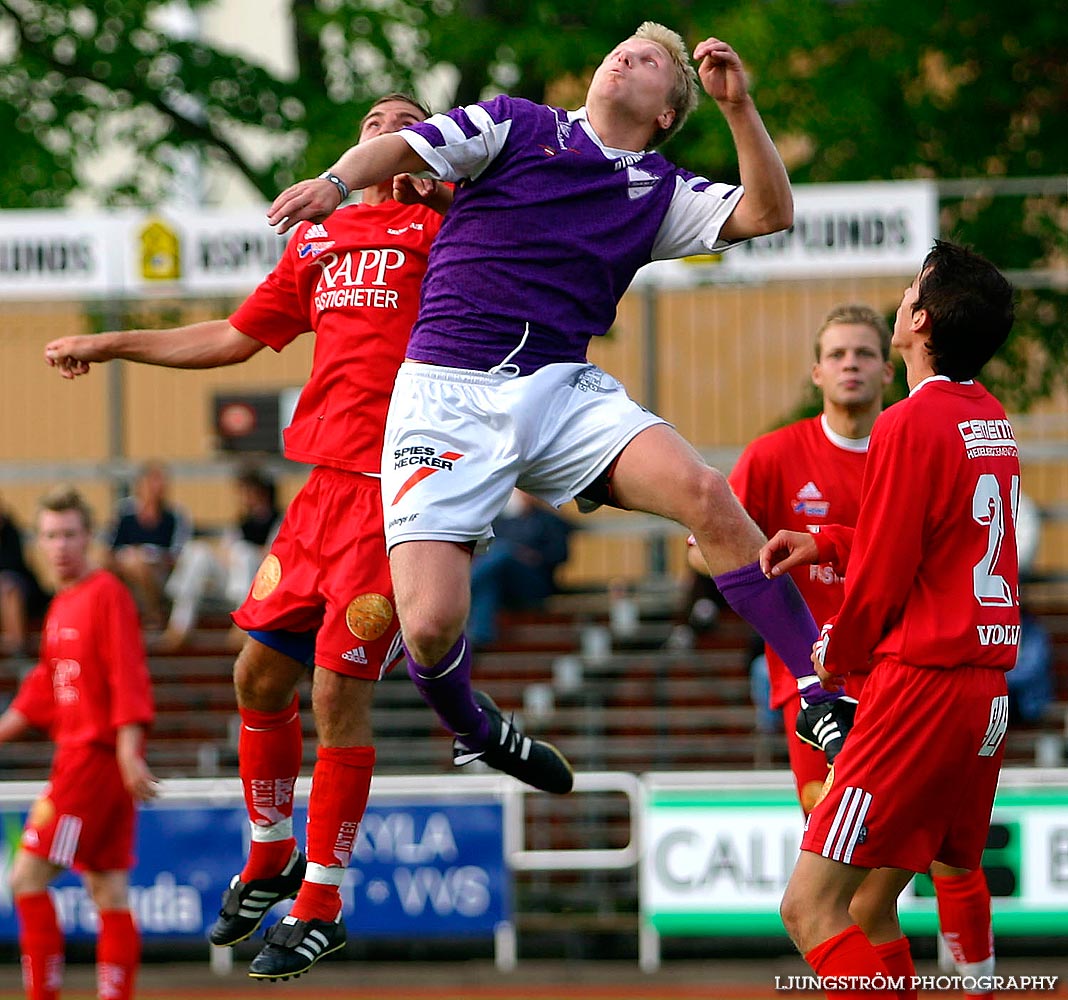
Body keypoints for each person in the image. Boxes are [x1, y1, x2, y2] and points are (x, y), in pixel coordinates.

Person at [268, 24, 854, 791]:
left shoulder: (660, 189)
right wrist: (336, 183)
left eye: (647, 62)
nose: (623, 57)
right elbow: (404, 149)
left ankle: (820, 689)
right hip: (444, 394)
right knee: (431, 626)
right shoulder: (519, 123)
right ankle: (475, 728)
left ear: (666, 113)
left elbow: (769, 213)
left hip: (557, 387)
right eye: (622, 49)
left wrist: (740, 109)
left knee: (709, 493)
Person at [43, 94, 471, 983]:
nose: (381, 124)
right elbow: (232, 338)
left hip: (399, 494)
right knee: (255, 674)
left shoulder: (455, 232)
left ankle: (321, 900)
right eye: (369, 118)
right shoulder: (319, 240)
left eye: (405, 116)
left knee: (333, 693)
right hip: (318, 495)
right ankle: (270, 852)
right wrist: (114, 340)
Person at [718, 303, 999, 997]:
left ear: (889, 361)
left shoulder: (912, 430)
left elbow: (885, 560)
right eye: (837, 353)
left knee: (824, 901)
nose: (850, 363)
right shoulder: (777, 455)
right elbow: (715, 554)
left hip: (897, 679)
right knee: (870, 895)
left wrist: (839, 637)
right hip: (833, 692)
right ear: (817, 371)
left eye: (864, 352)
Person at [0, 487, 157, 1000]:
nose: (60, 545)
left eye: (69, 534)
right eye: (50, 535)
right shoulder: (62, 604)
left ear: (87, 537)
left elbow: (128, 672)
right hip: (95, 763)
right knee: (107, 889)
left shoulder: (105, 592)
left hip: (91, 760)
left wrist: (129, 748)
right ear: (38, 543)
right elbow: (43, 688)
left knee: (25, 879)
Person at [156, 464, 282, 652]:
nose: (243, 497)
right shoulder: (241, 523)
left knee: (244, 552)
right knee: (197, 551)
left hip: (262, 584)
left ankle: (242, 622)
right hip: (234, 581)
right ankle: (180, 624)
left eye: (247, 491)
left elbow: (277, 555)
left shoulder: (279, 520)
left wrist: (247, 552)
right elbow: (225, 549)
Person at [467, 489, 572, 649]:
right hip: (506, 584)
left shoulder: (550, 522)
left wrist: (532, 556)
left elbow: (560, 555)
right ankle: (481, 637)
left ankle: (464, 586)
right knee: (490, 578)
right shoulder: (504, 522)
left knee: (502, 551)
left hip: (536, 583)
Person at [103, 461, 191, 629]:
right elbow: (108, 547)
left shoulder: (174, 516)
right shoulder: (125, 512)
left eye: (160, 482)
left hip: (160, 573)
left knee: (138, 562)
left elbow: (178, 556)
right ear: (140, 485)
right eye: (152, 482)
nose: (156, 488)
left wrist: (150, 558)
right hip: (124, 569)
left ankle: (154, 612)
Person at [0, 497, 51, 659]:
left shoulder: (10, 530)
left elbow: (13, 564)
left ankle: (16, 643)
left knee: (7, 586)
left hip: (21, 589)